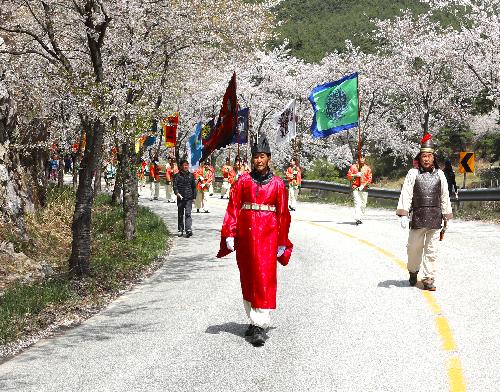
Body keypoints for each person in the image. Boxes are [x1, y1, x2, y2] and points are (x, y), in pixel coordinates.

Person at [217, 133, 293, 347]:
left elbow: (284, 214)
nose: (258, 160)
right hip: (246, 234)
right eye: (255, 157)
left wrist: (282, 240)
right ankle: (253, 318)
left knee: (264, 277)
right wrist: (229, 233)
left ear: (269, 158)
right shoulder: (243, 181)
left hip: (268, 236)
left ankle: (260, 324)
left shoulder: (278, 184)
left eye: (262, 156)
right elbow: (233, 207)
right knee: (248, 275)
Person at [396, 134, 453, 291]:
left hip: (435, 218)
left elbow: (444, 196)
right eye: (423, 156)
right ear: (419, 157)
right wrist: (403, 213)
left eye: (429, 156)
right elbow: (406, 194)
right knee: (413, 248)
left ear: (433, 157)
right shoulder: (413, 174)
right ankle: (413, 272)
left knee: (432, 249)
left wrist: (446, 216)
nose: (426, 159)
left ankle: (428, 278)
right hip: (418, 218)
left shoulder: (440, 174)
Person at [347, 155, 373, 225]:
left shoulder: (367, 168)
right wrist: (355, 175)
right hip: (355, 187)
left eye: (363, 158)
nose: (361, 159)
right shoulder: (353, 167)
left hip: (364, 188)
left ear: (364, 159)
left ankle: (360, 216)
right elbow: (349, 176)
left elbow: (370, 179)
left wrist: (363, 185)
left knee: (363, 204)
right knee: (357, 202)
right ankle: (357, 218)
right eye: (360, 157)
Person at [173, 159, 196, 238]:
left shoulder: (191, 175)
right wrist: (177, 193)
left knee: (188, 214)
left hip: (189, 197)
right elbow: (175, 186)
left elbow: (194, 187)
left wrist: (194, 197)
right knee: (180, 214)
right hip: (180, 197)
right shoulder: (177, 176)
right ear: (181, 166)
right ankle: (180, 229)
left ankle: (188, 229)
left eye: (187, 165)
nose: (186, 166)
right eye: (184, 165)